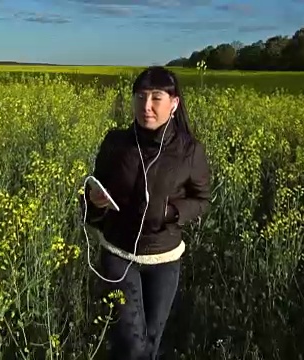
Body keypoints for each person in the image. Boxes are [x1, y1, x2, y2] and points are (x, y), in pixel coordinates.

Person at [82, 66, 211, 359]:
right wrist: (93, 199)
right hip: (119, 254)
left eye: (156, 98)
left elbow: (202, 199)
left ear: (174, 103)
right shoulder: (116, 143)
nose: (146, 107)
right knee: (131, 346)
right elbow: (91, 190)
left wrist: (171, 212)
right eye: (140, 98)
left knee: (151, 343)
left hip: (164, 259)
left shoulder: (189, 151)